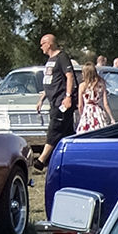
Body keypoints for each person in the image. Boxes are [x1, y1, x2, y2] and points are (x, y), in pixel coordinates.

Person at [32, 33, 75, 171]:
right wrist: (41, 99)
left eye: (42, 44)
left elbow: (69, 77)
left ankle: (41, 160)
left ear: (49, 44)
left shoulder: (62, 57)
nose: (41, 48)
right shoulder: (50, 60)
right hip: (53, 101)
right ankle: (69, 160)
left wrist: (68, 96)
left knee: (54, 129)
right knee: (67, 133)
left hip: (61, 102)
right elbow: (50, 82)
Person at [75, 62, 113, 133]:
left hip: (87, 112)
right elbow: (106, 104)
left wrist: (82, 116)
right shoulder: (101, 84)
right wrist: (112, 118)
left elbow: (80, 105)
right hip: (98, 112)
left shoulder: (82, 86)